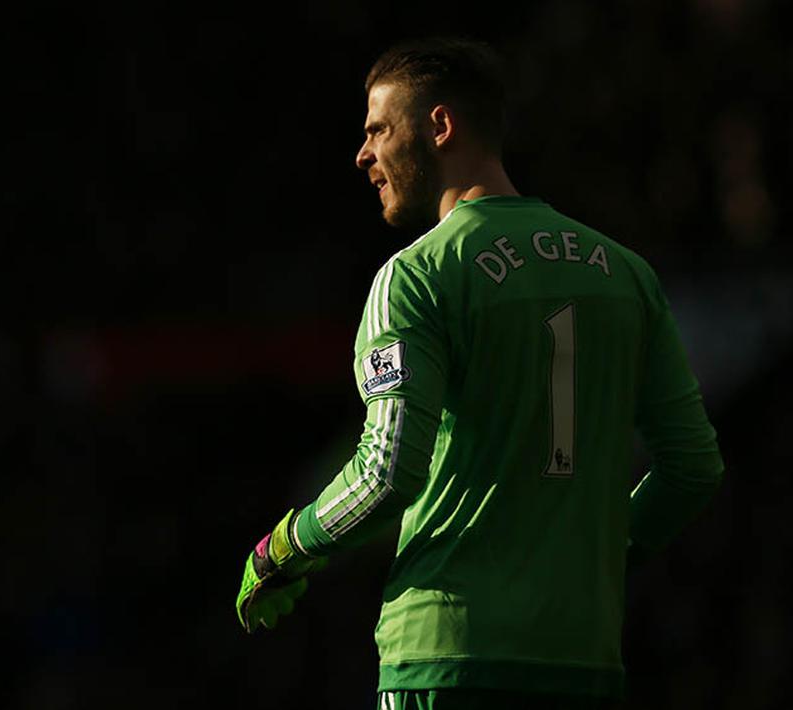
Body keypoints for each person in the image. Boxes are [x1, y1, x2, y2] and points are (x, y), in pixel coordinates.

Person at [235, 37, 724, 710]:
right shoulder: (626, 274)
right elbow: (692, 466)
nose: (363, 154)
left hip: (447, 657)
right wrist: (602, 562)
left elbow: (386, 472)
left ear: (439, 126)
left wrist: (285, 547)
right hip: (581, 658)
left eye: (377, 129)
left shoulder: (418, 276)